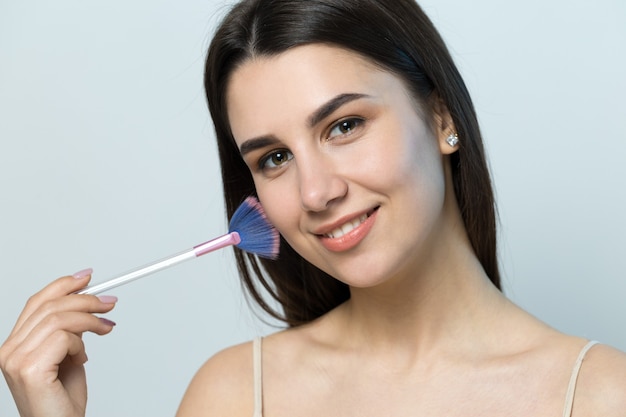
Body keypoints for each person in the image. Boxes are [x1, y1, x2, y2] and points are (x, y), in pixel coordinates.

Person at [1, 0, 625, 416]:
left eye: (345, 125)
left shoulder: (600, 395)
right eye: (273, 158)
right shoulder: (232, 397)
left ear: (441, 117)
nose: (316, 193)